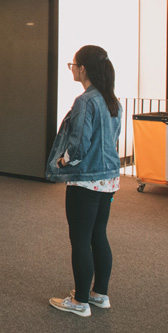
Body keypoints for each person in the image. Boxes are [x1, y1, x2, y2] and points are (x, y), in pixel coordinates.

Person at [46, 45, 121, 318]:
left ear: (83, 69)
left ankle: (79, 302)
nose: (72, 69)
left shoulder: (85, 101)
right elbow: (111, 141)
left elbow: (78, 147)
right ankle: (99, 294)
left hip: (86, 181)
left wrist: (63, 162)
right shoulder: (113, 100)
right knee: (98, 235)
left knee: (80, 239)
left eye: (73, 64)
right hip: (109, 180)